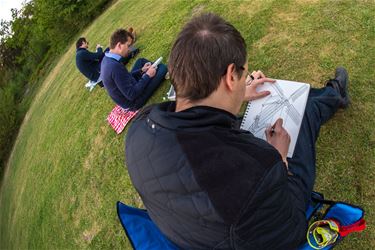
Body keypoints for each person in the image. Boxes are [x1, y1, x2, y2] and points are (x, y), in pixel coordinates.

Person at [125, 13, 350, 249]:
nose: (245, 80)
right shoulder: (261, 169)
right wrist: (280, 158)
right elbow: (289, 227)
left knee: (296, 105)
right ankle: (334, 95)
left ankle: (330, 95)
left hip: (190, 229)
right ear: (231, 76)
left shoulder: (139, 127)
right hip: (253, 230)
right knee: (303, 113)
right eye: (243, 75)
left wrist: (239, 94)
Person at [100, 29, 167, 110]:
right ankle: (156, 74)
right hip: (133, 102)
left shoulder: (108, 57)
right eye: (128, 46)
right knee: (163, 69)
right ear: (119, 45)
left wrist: (141, 70)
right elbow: (132, 95)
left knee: (140, 61)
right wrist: (147, 76)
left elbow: (125, 76)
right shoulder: (114, 67)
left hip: (128, 87)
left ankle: (153, 72)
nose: (130, 49)